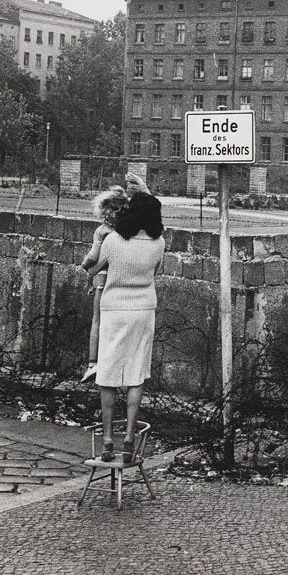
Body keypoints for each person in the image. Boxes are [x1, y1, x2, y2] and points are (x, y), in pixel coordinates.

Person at [87, 192, 165, 462]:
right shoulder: (159, 243)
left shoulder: (112, 240)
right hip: (144, 309)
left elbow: (92, 268)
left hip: (114, 308)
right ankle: (130, 438)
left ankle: (108, 439)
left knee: (108, 372)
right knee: (136, 372)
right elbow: (155, 273)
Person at [80, 173, 150, 384]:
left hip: (102, 279)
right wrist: (144, 189)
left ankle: (93, 363)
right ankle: (121, 361)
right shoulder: (130, 229)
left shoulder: (102, 231)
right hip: (124, 279)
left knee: (98, 321)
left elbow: (93, 257)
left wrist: (84, 267)